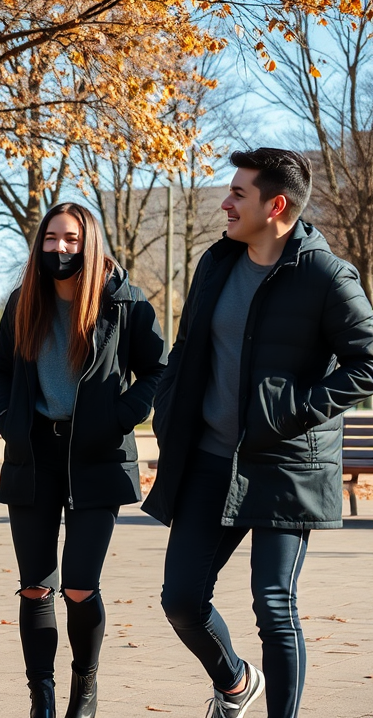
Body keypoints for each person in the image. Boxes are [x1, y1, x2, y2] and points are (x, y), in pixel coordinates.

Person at [142, 148, 373, 718]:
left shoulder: (325, 274)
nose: (225, 202)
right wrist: (169, 408)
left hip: (284, 465)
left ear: (275, 206)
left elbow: (367, 360)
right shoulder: (216, 264)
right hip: (207, 462)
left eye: (238, 193)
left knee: (274, 605)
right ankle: (236, 681)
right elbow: (186, 348)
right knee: (182, 602)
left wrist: (295, 411)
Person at [0, 203, 166, 718]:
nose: (59, 248)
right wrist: (5, 418)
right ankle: (40, 697)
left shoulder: (126, 305)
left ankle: (83, 690)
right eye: (50, 239)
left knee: (80, 585)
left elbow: (157, 371)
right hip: (33, 456)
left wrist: (119, 416)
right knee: (36, 586)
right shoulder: (22, 302)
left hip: (98, 458)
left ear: (89, 243)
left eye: (70, 239)